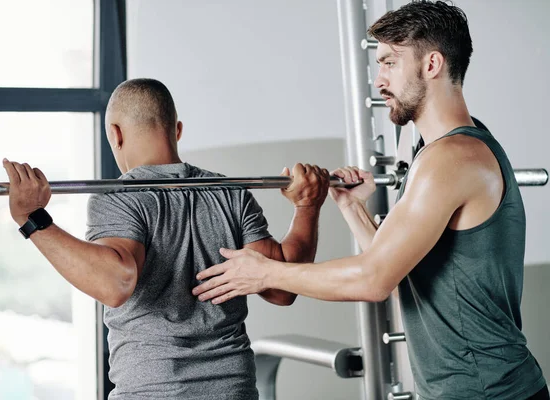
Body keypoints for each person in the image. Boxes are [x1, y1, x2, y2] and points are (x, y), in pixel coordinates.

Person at [192, 2, 549, 399]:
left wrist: (265, 274)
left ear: (432, 65)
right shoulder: (440, 152)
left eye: (390, 63)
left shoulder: (451, 159)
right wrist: (350, 205)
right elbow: (399, 270)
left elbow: (374, 279)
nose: (379, 81)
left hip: (488, 392)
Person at [1, 78, 330, 399]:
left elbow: (115, 283)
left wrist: (33, 219)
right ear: (177, 129)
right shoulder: (231, 192)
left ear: (115, 135)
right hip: (234, 389)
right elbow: (282, 289)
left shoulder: (119, 196)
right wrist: (307, 206)